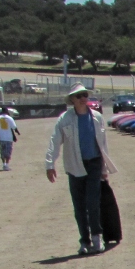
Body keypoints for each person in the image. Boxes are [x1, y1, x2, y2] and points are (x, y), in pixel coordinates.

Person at [45, 84, 118, 256]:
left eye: (84, 94)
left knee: (93, 202)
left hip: (94, 164)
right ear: (72, 100)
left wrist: (103, 169)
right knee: (79, 206)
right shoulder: (65, 119)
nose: (82, 98)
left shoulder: (97, 117)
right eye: (78, 96)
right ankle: (84, 241)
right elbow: (55, 142)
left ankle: (97, 237)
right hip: (74, 165)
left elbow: (103, 144)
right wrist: (50, 164)